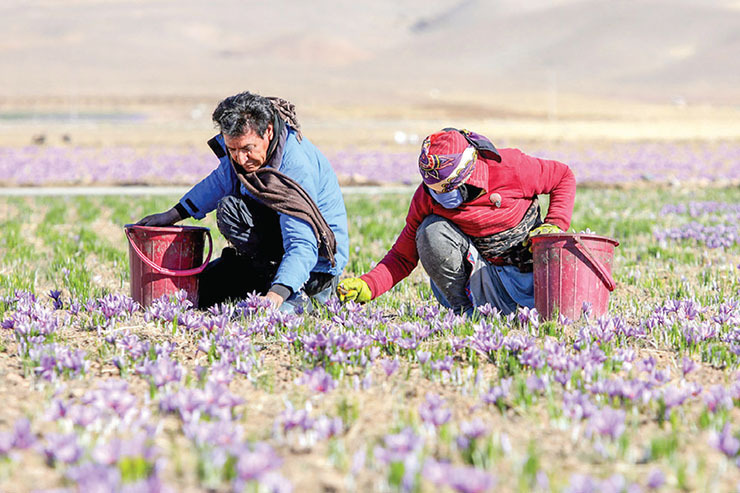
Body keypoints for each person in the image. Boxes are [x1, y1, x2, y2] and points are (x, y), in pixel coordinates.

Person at [137, 91, 349, 312]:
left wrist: (275, 297)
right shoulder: (244, 157)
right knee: (199, 290)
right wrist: (172, 215)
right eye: (232, 150)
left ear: (268, 131)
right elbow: (219, 182)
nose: (240, 159)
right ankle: (265, 279)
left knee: (268, 308)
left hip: (315, 269)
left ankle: (297, 294)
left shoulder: (294, 169)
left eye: (247, 149)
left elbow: (302, 244)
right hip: (272, 257)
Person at [337, 128, 575, 316]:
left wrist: (554, 225)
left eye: (449, 188)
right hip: (483, 278)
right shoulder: (427, 197)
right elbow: (403, 255)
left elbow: (563, 176)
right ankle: (465, 312)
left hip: (533, 274)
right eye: (435, 190)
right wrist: (369, 285)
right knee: (431, 230)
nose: (441, 197)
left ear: (468, 171)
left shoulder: (510, 167)